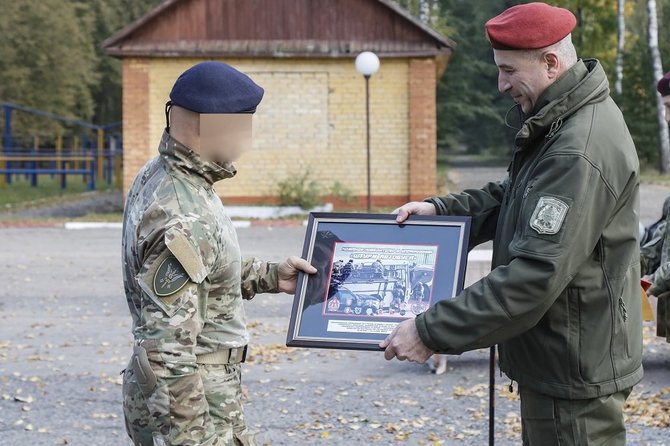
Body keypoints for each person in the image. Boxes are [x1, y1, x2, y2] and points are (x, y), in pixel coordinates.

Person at [381, 3, 642, 445]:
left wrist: (430, 330)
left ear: (551, 63)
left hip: (572, 366)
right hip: (566, 352)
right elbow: (517, 194)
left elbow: (533, 275)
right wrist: (444, 213)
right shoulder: (564, 123)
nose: (501, 85)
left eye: (508, 71)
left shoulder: (574, 149)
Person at [121, 61, 316, 446]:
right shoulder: (182, 210)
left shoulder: (166, 175)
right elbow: (166, 350)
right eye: (244, 124)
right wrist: (196, 438)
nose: (248, 137)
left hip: (198, 394)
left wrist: (271, 275)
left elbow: (202, 273)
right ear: (209, 125)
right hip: (195, 402)